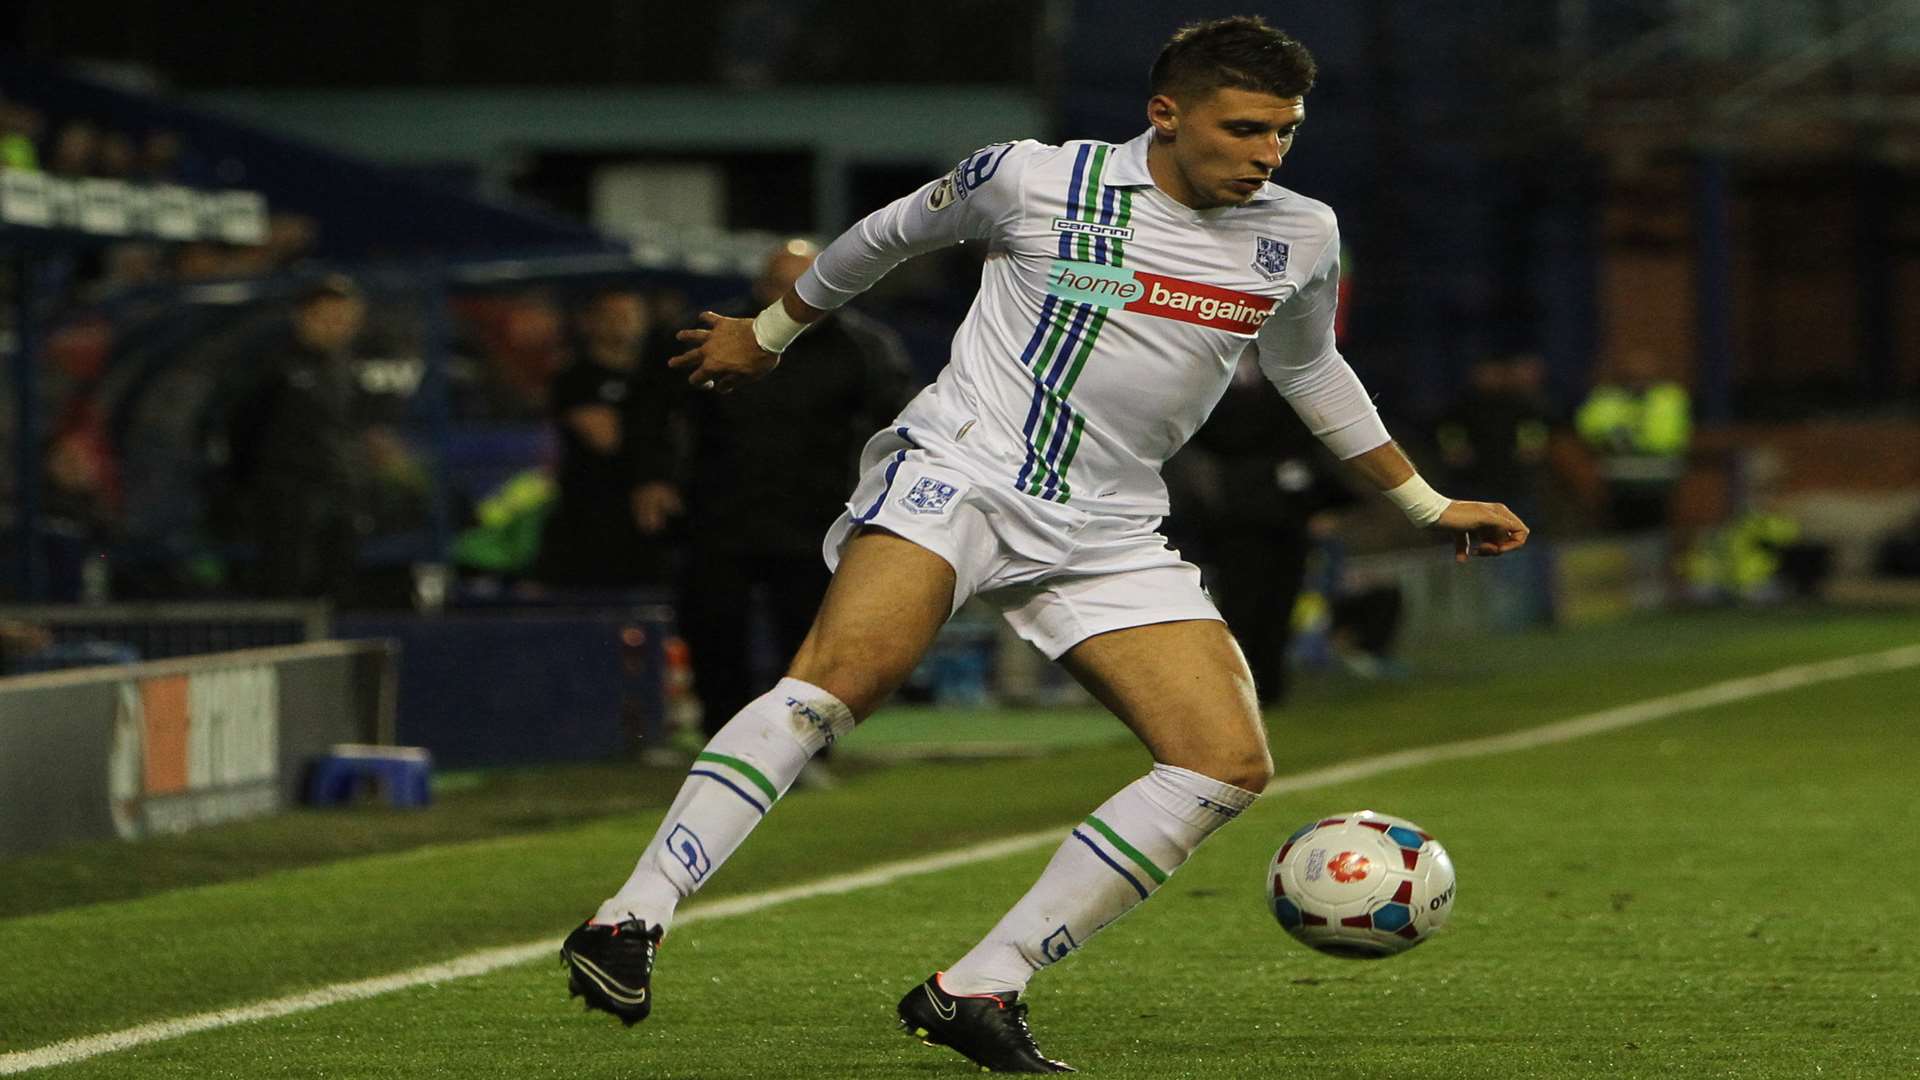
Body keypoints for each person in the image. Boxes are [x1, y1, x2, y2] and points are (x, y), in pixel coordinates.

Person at [560, 17, 1528, 1073]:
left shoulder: (1298, 232)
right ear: (1166, 114)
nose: (1267, 154)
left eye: (1285, 133)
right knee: (839, 682)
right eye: (1245, 128)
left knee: (1223, 763)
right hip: (964, 471)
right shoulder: (1033, 181)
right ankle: (630, 919)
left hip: (1110, 521)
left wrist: (1427, 503)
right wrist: (770, 333)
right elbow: (883, 236)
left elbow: (1310, 371)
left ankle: (980, 985)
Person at [632, 239, 915, 740]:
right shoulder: (716, 332)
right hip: (718, 512)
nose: (792, 298)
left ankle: (804, 747)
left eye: (802, 286)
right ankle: (721, 741)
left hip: (818, 518)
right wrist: (653, 477)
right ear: (761, 288)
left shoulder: (864, 347)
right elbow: (656, 409)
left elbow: (900, 426)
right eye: (780, 286)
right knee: (714, 632)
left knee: (810, 640)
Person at [226, 275, 368, 600]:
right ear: (303, 316)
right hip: (286, 496)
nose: (337, 327)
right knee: (284, 583)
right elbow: (241, 426)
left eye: (345, 320)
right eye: (328, 318)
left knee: (336, 585)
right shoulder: (271, 364)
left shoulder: (346, 371)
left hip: (337, 494)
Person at [533, 288, 673, 589]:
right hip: (589, 515)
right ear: (591, 322)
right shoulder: (575, 379)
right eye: (613, 316)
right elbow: (607, 438)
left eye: (630, 316)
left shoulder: (656, 379)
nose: (622, 324)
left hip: (646, 521)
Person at [1574, 347, 1691, 532]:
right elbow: (1589, 427)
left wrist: (1622, 436)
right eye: (1633, 372)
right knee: (1618, 542)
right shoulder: (1606, 397)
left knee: (1657, 540)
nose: (1639, 377)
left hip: (1659, 485)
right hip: (1616, 486)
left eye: (1644, 372)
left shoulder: (1669, 397)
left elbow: (1666, 438)